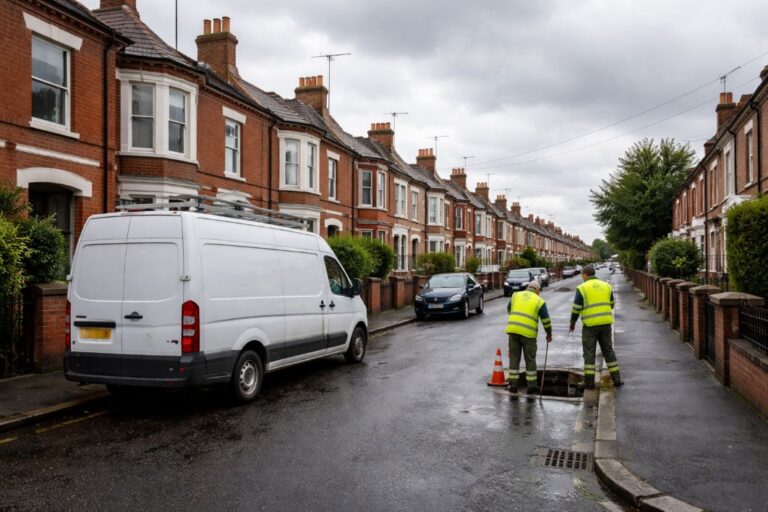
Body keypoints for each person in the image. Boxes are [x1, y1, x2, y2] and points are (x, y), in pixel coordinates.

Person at [569, 265, 622, 389]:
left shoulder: (582, 288)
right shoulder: (606, 286)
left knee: (589, 353)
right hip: (606, 324)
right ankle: (617, 379)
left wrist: (572, 322)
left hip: (590, 326)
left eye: (582, 274)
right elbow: (612, 303)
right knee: (608, 351)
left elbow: (576, 308)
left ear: (586, 274)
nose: (582, 276)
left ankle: (589, 383)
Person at [505, 280, 552, 394]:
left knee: (514, 358)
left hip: (513, 331)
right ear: (537, 290)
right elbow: (545, 320)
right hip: (528, 334)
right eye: (539, 291)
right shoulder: (539, 301)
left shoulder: (516, 295)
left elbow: (509, 309)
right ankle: (531, 386)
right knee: (530, 359)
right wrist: (549, 333)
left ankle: (513, 385)